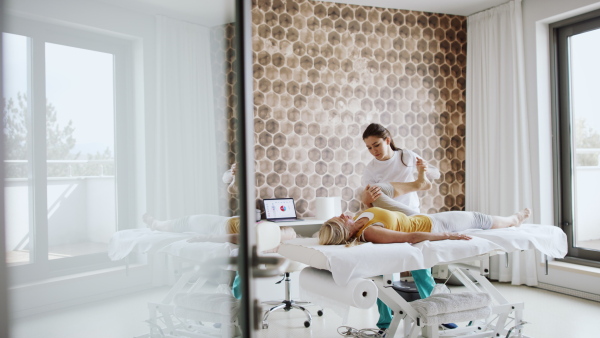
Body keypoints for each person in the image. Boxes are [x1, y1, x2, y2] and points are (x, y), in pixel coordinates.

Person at [360, 123, 444, 332]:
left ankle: (436, 315)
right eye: (369, 147)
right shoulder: (371, 169)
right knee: (384, 271)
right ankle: (385, 324)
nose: (374, 151)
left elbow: (435, 175)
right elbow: (368, 203)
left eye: (376, 145)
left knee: (422, 268)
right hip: (389, 221)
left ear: (387, 140)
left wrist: (424, 169)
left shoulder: (406, 157)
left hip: (413, 218)